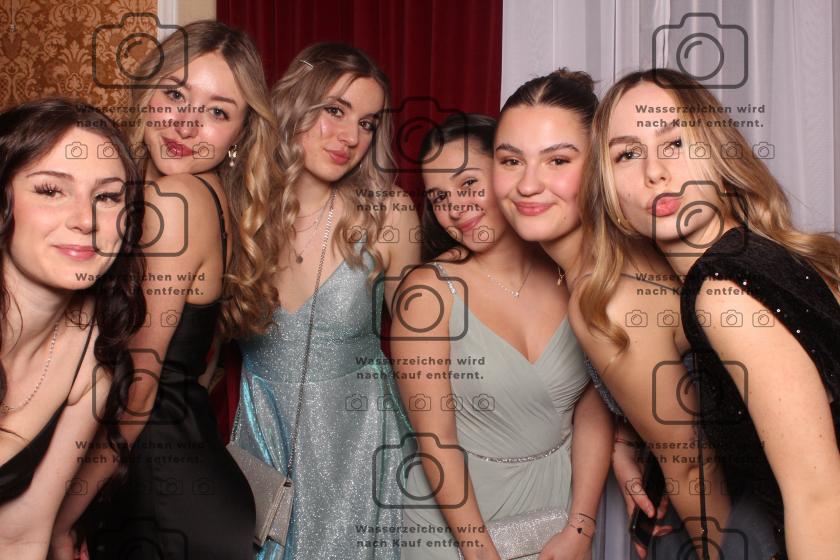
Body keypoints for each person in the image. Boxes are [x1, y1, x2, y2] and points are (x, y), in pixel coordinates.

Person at [491, 68, 768, 560]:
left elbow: (692, 467)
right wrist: (624, 438)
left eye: (558, 160)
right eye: (511, 161)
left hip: (742, 519)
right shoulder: (628, 249)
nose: (528, 185)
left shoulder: (606, 299)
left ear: (599, 168)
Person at [50, 20, 282, 560]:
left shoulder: (174, 201)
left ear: (241, 134)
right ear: (147, 93)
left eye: (217, 112)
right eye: (175, 95)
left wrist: (60, 518)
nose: (185, 123)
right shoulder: (209, 199)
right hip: (184, 483)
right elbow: (199, 368)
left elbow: (140, 388)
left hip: (158, 495)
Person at [587, 67, 840, 558]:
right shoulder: (756, 255)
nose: (655, 171)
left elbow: (818, 497)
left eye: (674, 142)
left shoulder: (722, 290)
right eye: (628, 154)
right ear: (611, 195)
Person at [391, 112, 613, 560]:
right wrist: (479, 553)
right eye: (439, 197)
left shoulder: (573, 274)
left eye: (469, 184)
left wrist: (581, 526)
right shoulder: (427, 295)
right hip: (457, 528)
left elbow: (593, 409)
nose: (456, 208)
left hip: (558, 511)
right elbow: (436, 441)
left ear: (508, 172)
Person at [230, 42, 420, 560]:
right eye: (335, 110)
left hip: (365, 448)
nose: (351, 137)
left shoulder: (389, 213)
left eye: (367, 123)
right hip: (264, 442)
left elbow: (421, 354)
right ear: (296, 103)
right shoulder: (237, 206)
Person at [0, 98, 145, 558]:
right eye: (50, 190)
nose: (86, 220)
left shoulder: (93, 351)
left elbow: (21, 535)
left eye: (107, 197)